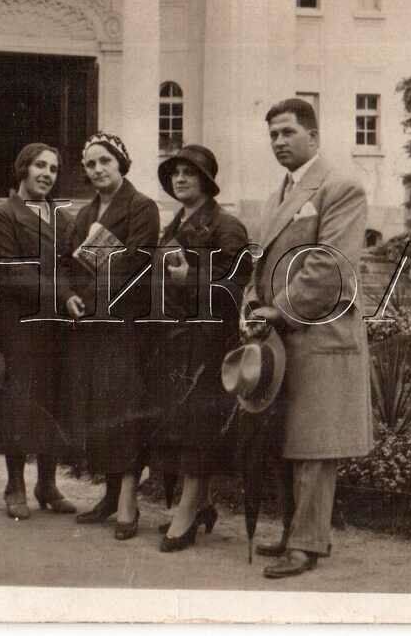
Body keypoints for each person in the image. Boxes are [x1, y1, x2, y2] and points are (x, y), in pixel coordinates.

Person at [244, 98, 373, 579]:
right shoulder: (280, 191)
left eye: (288, 132)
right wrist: (251, 305)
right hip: (283, 335)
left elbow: (330, 267)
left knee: (315, 444)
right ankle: (295, 535)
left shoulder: (341, 186)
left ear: (313, 137)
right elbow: (260, 263)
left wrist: (276, 309)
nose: (278, 141)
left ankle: (307, 544)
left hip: (320, 331)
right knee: (287, 437)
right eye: (273, 134)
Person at [150, 144, 249, 552]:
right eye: (174, 173)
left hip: (207, 343)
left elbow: (233, 288)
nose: (180, 179)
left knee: (196, 427)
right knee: (180, 425)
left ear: (206, 181)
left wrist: (191, 278)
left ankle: (187, 513)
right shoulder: (173, 225)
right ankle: (201, 504)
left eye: (189, 172)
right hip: (174, 340)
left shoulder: (228, 227)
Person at [61, 132, 160, 540]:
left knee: (124, 409)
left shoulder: (141, 207)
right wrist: (68, 296)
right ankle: (108, 494)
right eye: (91, 164)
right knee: (100, 409)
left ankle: (128, 502)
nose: (98, 169)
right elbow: (67, 263)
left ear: (121, 163)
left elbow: (134, 264)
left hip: (124, 326)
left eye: (105, 161)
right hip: (90, 326)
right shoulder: (84, 215)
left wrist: (87, 289)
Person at [0, 143, 77, 520]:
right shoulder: (2, 216)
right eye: (40, 165)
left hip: (58, 325)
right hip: (20, 323)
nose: (47, 174)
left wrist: (77, 290)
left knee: (53, 399)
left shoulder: (63, 218)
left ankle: (48, 484)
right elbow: (11, 273)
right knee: (17, 402)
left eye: (53, 169)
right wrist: (65, 292)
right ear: (24, 168)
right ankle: (15, 485)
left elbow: (75, 263)